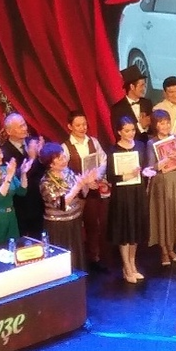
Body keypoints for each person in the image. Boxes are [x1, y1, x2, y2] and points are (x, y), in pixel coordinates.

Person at [38, 142, 98, 271]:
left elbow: (81, 194)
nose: (64, 160)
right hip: (58, 225)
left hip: (74, 220)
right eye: (59, 159)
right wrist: (78, 186)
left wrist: (87, 184)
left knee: (76, 253)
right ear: (50, 164)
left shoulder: (68, 172)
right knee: (61, 257)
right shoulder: (46, 182)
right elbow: (61, 204)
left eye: (64, 157)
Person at [64, 111, 110, 273]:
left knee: (93, 224)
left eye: (84, 124)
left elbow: (103, 160)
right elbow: (65, 171)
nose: (82, 128)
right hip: (76, 193)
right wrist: (82, 182)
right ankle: (75, 261)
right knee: (75, 227)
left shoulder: (93, 142)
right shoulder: (65, 147)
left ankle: (94, 257)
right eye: (78, 125)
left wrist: (96, 177)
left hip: (93, 190)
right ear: (70, 127)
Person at [146, 110, 176, 266]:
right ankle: (164, 252)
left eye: (167, 122)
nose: (165, 126)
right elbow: (150, 167)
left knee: (173, 217)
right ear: (155, 125)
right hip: (162, 184)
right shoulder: (151, 143)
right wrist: (162, 162)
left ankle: (172, 249)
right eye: (161, 123)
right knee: (163, 217)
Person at [107, 117, 149, 283]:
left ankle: (132, 263)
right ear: (119, 132)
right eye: (127, 131)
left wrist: (145, 172)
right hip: (122, 194)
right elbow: (111, 177)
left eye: (132, 130)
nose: (131, 133)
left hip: (137, 191)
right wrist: (128, 175)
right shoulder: (113, 150)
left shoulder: (139, 146)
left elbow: (144, 166)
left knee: (135, 229)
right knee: (125, 229)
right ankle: (126, 266)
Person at [1, 112, 45, 237]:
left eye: (24, 124)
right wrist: (32, 158)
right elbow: (14, 179)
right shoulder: (4, 152)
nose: (25, 128)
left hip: (39, 202)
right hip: (21, 205)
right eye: (20, 126)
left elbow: (43, 169)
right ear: (9, 131)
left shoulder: (32, 143)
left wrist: (41, 155)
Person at [110, 65, 153, 145]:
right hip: (128, 149)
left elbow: (152, 130)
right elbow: (117, 135)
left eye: (144, 85)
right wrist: (140, 126)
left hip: (147, 147)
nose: (144, 88)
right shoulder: (117, 109)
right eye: (141, 85)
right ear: (132, 86)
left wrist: (148, 125)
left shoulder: (147, 103)